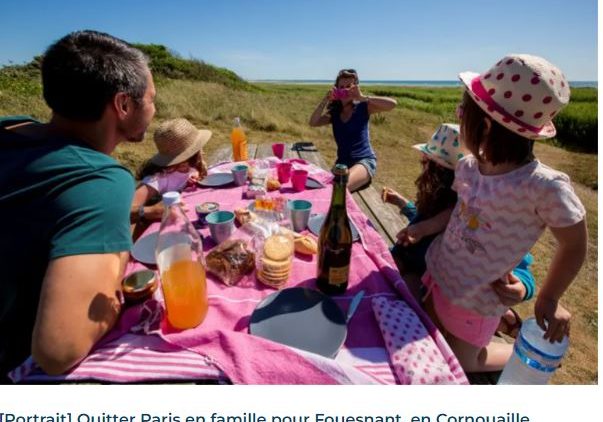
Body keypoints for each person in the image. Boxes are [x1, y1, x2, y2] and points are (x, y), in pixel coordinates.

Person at [0, 30, 156, 380]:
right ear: (123, 105)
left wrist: (141, 205)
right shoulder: (101, 180)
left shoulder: (11, 128)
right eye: (151, 99)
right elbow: (59, 349)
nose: (154, 109)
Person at [417, 54, 587, 373]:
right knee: (429, 330)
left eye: (460, 112)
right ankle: (502, 324)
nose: (458, 116)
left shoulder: (542, 187)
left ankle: (519, 351)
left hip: (477, 300)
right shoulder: (468, 166)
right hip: (441, 274)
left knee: (465, 362)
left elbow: (574, 244)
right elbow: (460, 214)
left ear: (483, 125)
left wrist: (548, 297)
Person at [382, 123, 535, 338]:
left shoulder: (470, 212)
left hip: (451, 292)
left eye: (429, 165)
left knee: (407, 302)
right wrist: (403, 205)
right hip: (428, 275)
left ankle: (506, 321)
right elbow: (425, 220)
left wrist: (523, 285)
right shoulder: (439, 198)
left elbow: (514, 259)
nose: (423, 167)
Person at [309, 69, 397, 192]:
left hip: (363, 161)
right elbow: (313, 122)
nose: (345, 90)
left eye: (349, 87)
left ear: (355, 88)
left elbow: (392, 104)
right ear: (336, 89)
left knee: (338, 188)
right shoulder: (335, 113)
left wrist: (362, 97)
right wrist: (326, 100)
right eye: (341, 87)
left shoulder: (363, 107)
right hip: (341, 164)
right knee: (315, 188)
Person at [130, 118, 211, 225]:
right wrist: (153, 210)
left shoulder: (192, 165)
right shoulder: (159, 178)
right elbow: (126, 210)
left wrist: (194, 177)